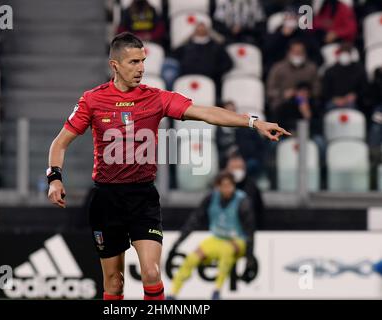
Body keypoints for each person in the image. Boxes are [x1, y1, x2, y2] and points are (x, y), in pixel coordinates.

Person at [46, 32, 290, 300]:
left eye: (143, 61)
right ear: (114, 66)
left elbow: (207, 112)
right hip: (106, 199)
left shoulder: (157, 98)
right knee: (114, 282)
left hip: (143, 198)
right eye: (133, 62)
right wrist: (55, 178)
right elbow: (59, 143)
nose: (141, 68)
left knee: (151, 273)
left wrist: (253, 122)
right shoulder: (93, 100)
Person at [167, 171, 257, 300]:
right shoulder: (210, 198)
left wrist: (249, 257)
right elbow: (194, 220)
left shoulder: (242, 201)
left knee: (227, 253)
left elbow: (250, 231)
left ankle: (216, 291)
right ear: (218, 186)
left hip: (238, 241)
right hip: (217, 238)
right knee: (191, 258)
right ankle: (172, 294)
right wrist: (178, 242)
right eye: (224, 185)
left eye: (230, 185)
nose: (227, 189)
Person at [266, 39, 321, 120]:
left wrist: (308, 94)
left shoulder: (311, 68)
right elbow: (270, 90)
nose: (298, 54)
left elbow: (318, 88)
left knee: (310, 107)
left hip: (307, 101)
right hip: (283, 102)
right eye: (295, 52)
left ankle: (310, 129)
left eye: (300, 52)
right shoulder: (278, 68)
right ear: (289, 52)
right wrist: (284, 94)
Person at [321, 42, 367, 111]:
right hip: (334, 101)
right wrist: (334, 99)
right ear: (338, 53)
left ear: (351, 54)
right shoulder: (330, 70)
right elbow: (325, 90)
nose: (344, 54)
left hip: (353, 101)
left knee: (352, 107)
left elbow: (364, 87)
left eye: (347, 52)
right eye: (343, 51)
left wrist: (355, 95)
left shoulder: (359, 69)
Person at [225, 153, 264, 230]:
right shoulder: (220, 186)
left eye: (239, 168)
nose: (237, 171)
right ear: (227, 169)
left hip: (246, 230)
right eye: (234, 168)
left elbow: (259, 212)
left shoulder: (252, 187)